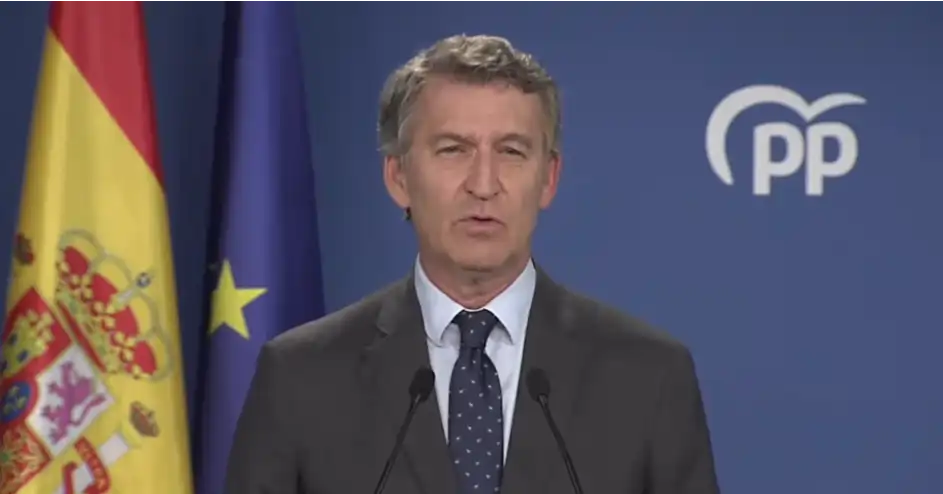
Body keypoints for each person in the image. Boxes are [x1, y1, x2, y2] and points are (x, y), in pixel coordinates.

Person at [225, 34, 720, 494]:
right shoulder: (300, 378)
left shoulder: (649, 377)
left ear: (548, 179)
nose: (483, 184)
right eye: (453, 150)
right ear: (399, 177)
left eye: (511, 152)